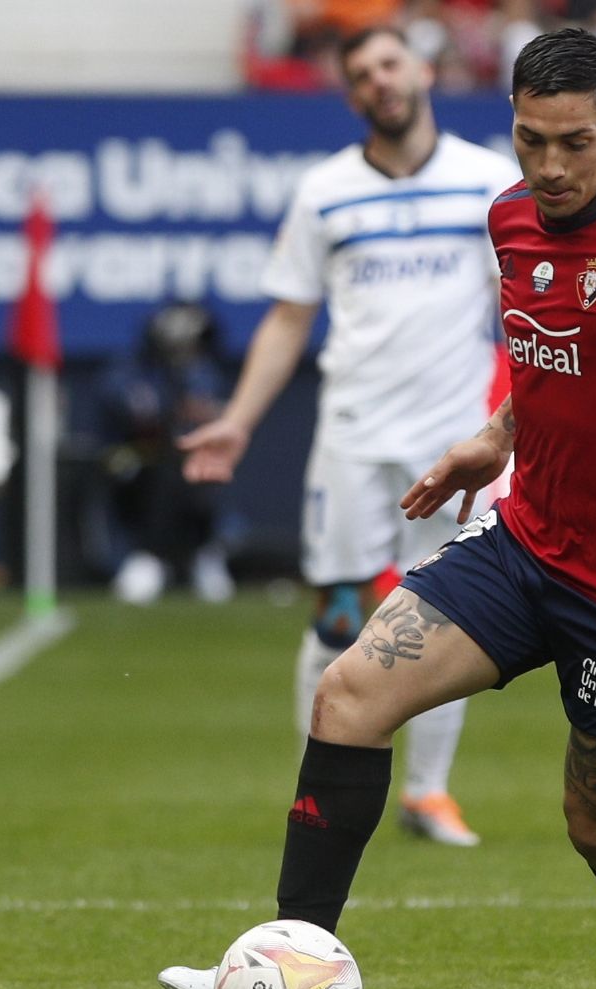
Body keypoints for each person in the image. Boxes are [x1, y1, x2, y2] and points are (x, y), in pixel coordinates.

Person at [159, 27, 596, 989]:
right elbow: (549, 353)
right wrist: (492, 437)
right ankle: (284, 963)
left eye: (575, 144)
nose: (548, 167)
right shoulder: (509, 217)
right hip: (527, 547)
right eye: (529, 139)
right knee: (347, 693)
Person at [178, 26, 522, 848]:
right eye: (361, 73)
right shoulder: (325, 191)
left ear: (423, 70)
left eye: (390, 64)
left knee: (456, 622)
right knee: (338, 614)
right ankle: (318, 799)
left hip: (455, 442)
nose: (379, 81)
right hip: (355, 435)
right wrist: (237, 420)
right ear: (351, 93)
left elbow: (526, 311)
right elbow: (290, 316)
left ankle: (429, 794)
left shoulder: (489, 183)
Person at [97, 302, 237, 606]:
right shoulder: (130, 370)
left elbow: (213, 411)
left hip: (187, 461)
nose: (187, 353)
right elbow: (136, 412)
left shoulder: (203, 371)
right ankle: (148, 556)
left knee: (203, 466)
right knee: (164, 471)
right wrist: (175, 409)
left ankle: (204, 553)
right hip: (133, 461)